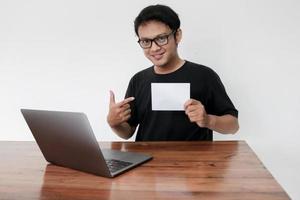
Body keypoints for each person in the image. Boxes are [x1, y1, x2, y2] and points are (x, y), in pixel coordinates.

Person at [107, 4, 239, 141]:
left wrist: (208, 120)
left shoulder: (204, 75)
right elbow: (127, 132)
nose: (154, 48)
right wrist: (114, 123)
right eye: (146, 41)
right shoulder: (138, 80)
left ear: (177, 35)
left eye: (161, 38)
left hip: (194, 161)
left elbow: (233, 125)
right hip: (147, 160)